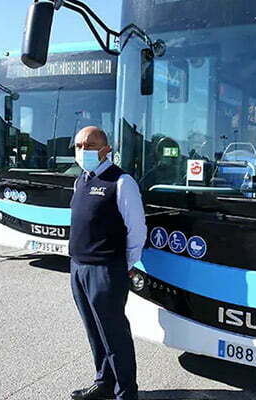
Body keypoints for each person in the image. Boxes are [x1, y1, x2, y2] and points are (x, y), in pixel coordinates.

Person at [68, 126, 146, 400]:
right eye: (78, 146)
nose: (82, 151)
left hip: (106, 270)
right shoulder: (81, 180)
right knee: (94, 330)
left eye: (88, 146)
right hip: (78, 267)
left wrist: (128, 264)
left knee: (114, 334)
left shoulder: (121, 182)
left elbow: (136, 228)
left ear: (105, 149)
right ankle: (104, 382)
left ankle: (126, 392)